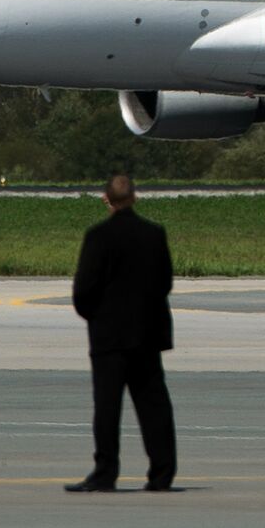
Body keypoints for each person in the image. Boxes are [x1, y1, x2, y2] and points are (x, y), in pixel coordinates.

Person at [65, 172, 177, 493]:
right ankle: (162, 473)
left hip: (109, 337)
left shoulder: (98, 237)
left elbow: (84, 289)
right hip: (146, 335)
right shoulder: (154, 234)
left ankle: (105, 472)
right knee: (154, 407)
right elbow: (164, 282)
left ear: (107, 200)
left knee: (107, 408)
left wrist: (97, 318)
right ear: (135, 197)